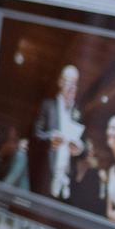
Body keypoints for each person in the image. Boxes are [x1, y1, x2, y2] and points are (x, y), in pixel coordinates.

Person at [34, 64, 85, 200]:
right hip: (47, 177)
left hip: (69, 182)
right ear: (60, 82)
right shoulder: (48, 106)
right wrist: (50, 138)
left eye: (75, 83)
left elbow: (85, 145)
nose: (72, 87)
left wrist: (79, 149)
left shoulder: (79, 112)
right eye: (69, 82)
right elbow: (35, 135)